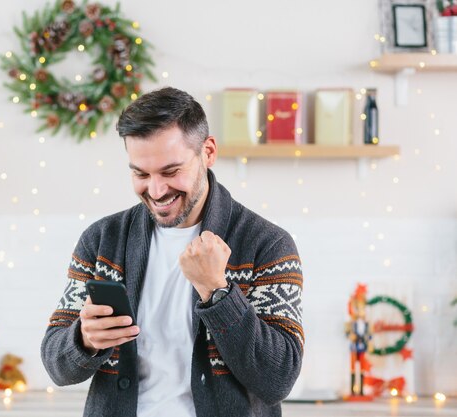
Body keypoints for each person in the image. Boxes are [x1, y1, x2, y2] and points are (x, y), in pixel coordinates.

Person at [41, 87, 304, 417]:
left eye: (170, 171)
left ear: (207, 152)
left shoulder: (266, 244)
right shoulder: (102, 241)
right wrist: (83, 339)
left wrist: (217, 292)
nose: (156, 190)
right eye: (140, 173)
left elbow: (278, 379)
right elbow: (55, 363)